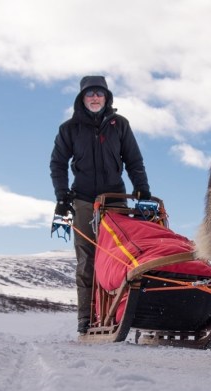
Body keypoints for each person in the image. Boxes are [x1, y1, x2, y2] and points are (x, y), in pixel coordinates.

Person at [50, 75, 151, 335]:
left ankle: (118, 313)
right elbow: (58, 164)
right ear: (82, 98)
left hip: (115, 201)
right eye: (89, 94)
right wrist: (62, 196)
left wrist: (142, 188)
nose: (95, 98)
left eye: (99, 93)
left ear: (107, 98)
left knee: (119, 257)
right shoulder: (69, 128)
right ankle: (86, 318)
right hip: (83, 200)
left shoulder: (120, 125)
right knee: (87, 260)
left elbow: (134, 160)